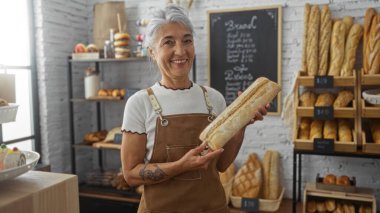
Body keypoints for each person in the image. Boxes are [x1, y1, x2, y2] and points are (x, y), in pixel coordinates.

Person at [121, 4, 268, 213]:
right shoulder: (140, 103)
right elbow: (131, 174)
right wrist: (180, 166)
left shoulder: (213, 99)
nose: (180, 51)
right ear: (152, 52)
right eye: (168, 42)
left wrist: (241, 125)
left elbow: (221, 165)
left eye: (187, 40)